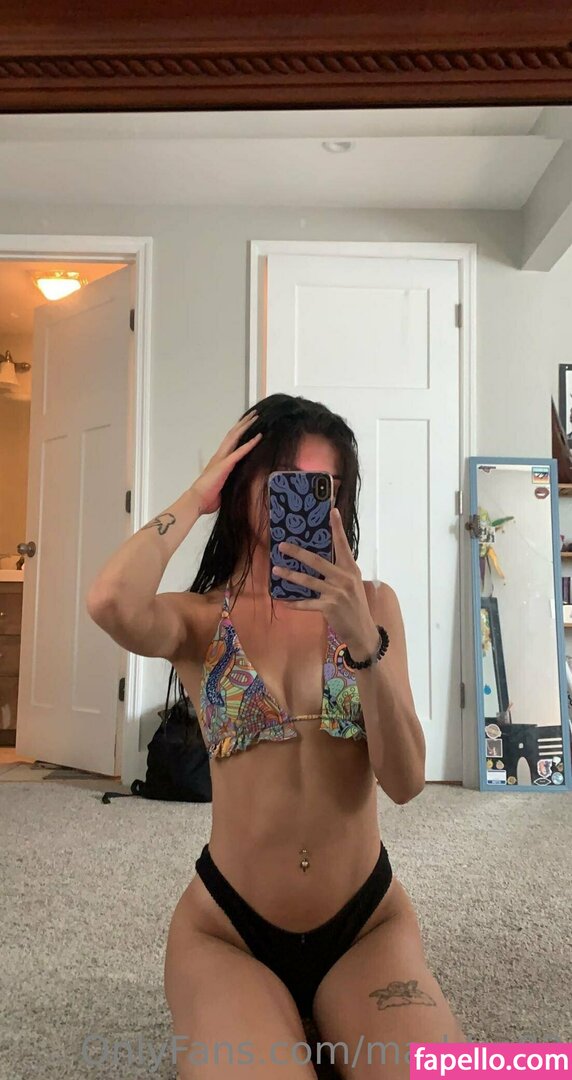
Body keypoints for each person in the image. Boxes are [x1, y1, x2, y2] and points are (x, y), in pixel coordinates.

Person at [86, 394, 467, 1079]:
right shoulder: (202, 621)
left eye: (328, 487)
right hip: (229, 933)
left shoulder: (373, 606)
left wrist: (364, 645)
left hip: (365, 927)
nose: (309, 503)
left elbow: (407, 783)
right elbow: (110, 601)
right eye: (288, 482)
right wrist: (196, 497)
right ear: (244, 486)